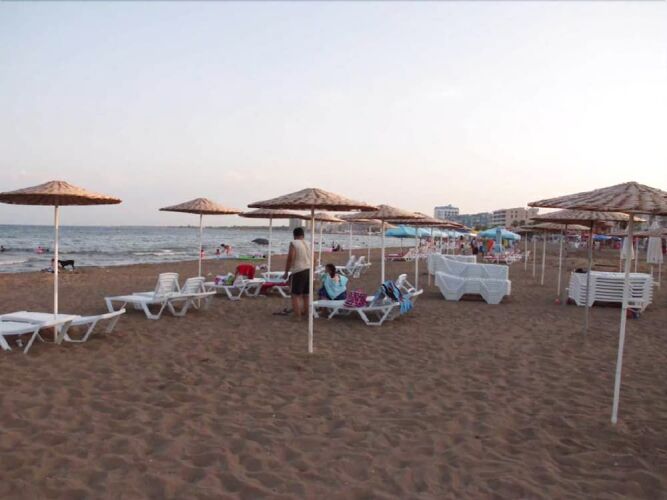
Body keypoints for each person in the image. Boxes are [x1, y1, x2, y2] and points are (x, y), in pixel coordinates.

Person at [283, 227, 311, 319]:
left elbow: (290, 258)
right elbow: (314, 259)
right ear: (303, 235)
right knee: (306, 294)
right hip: (308, 270)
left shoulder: (294, 243)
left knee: (295, 294)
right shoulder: (308, 243)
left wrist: (286, 272)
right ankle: (307, 313)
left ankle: (297, 316)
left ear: (294, 235)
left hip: (298, 270)